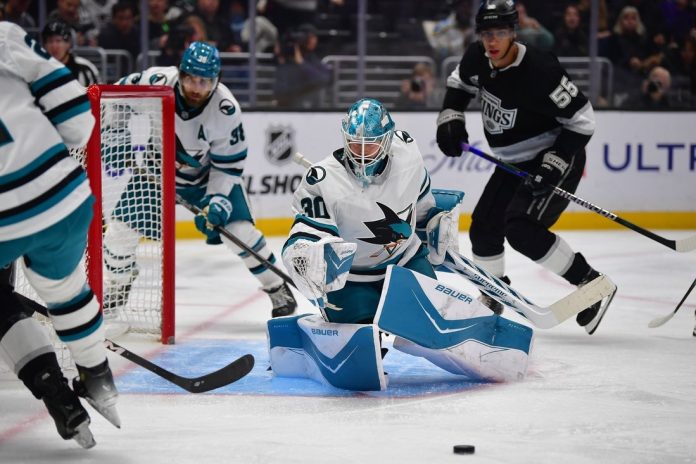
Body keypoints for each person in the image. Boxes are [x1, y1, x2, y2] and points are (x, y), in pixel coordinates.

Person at [273, 98, 534, 391]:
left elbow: (421, 200)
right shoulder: (321, 179)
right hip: (352, 278)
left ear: (386, 141)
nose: (361, 154)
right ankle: (309, 341)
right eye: (355, 144)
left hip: (405, 261)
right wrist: (306, 252)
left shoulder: (407, 154)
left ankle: (489, 346)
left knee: (431, 329)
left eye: (370, 145)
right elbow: (307, 232)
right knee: (358, 341)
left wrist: (433, 223)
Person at [435, 0, 617, 335]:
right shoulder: (477, 56)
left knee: (521, 228)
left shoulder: (541, 70)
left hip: (555, 156)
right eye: (486, 33)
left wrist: (553, 163)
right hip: (513, 162)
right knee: (483, 229)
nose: (492, 41)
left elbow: (583, 120)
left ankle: (593, 284)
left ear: (514, 33)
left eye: (500, 32)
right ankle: (493, 294)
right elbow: (459, 83)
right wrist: (451, 116)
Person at [109, 41, 297, 318]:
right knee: (118, 235)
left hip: (205, 178)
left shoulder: (225, 110)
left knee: (241, 233)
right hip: (155, 174)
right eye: (191, 79)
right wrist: (116, 135)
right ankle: (118, 284)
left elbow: (228, 165)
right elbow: (115, 96)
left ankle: (276, 286)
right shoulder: (156, 81)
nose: (197, 88)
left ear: (216, 80)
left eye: (205, 82)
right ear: (180, 73)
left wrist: (217, 200)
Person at [0, 21, 119, 447]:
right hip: (64, 197)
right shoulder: (6, 35)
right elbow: (76, 119)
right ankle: (98, 376)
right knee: (68, 293)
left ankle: (55, 393)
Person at [42, 20, 101, 86]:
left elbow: (99, 91)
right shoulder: (39, 70)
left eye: (58, 41)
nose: (54, 46)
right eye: (50, 41)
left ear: (68, 43)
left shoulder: (85, 68)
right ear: (44, 45)